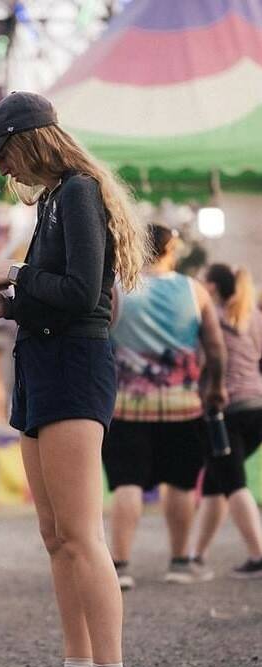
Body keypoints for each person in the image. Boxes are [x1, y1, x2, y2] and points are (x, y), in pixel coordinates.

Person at [0, 91, 145, 667]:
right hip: (43, 367)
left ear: (30, 141)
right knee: (54, 536)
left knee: (79, 534)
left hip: (73, 367)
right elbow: (68, 293)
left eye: (6, 155)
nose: (4, 169)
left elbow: (80, 291)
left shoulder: (76, 192)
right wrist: (8, 306)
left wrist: (16, 277)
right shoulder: (52, 200)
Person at [103, 225, 226, 588]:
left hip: (127, 404)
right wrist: (215, 388)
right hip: (183, 405)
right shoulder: (195, 290)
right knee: (182, 484)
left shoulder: (118, 290)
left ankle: (121, 566)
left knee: (127, 484)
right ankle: (179, 561)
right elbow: (216, 349)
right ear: (172, 249)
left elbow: (101, 339)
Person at [190, 263, 262, 579]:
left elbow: (201, 362)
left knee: (232, 483)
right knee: (215, 483)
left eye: (202, 282)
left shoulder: (211, 319)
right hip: (256, 407)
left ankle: (258, 554)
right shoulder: (254, 317)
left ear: (213, 289)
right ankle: (195, 555)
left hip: (224, 411)